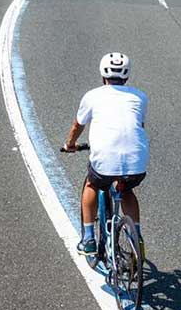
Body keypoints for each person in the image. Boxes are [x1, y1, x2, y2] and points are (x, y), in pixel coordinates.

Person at [60, 52, 149, 259]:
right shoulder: (140, 96)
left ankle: (89, 239)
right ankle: (137, 237)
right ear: (126, 76)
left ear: (103, 75)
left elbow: (77, 125)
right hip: (137, 161)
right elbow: (138, 125)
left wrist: (70, 145)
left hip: (105, 161)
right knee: (126, 191)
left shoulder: (93, 96)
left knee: (92, 184)